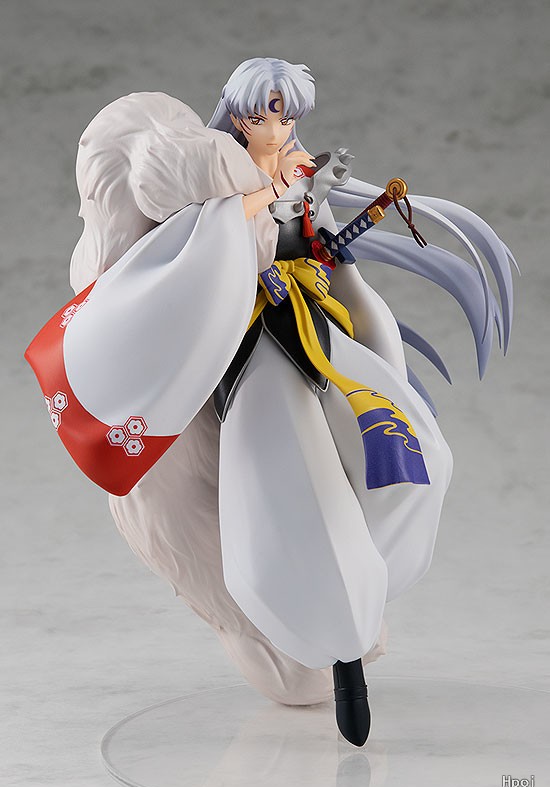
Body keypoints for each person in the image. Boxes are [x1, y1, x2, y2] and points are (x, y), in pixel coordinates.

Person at [26, 58, 515, 746]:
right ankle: (336, 648)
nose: (275, 129)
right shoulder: (219, 184)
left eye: (284, 117)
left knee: (412, 451)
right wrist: (264, 204)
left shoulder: (291, 173)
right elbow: (206, 246)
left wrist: (328, 238)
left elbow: (318, 248)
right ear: (238, 115)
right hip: (256, 350)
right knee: (290, 480)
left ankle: (363, 592)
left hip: (317, 333)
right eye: (261, 116)